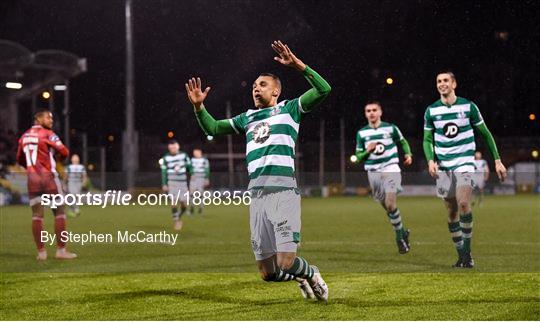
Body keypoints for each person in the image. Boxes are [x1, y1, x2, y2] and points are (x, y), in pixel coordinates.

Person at [185, 41, 330, 301]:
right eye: (253, 85)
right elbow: (214, 129)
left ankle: (311, 273)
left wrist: (298, 65)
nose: (255, 88)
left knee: (286, 261)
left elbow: (323, 89)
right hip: (257, 195)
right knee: (268, 273)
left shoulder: (290, 109)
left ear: (276, 91)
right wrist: (199, 107)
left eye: (262, 84)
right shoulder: (247, 118)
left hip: (283, 190)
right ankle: (300, 275)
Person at [423, 71, 507, 268]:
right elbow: (427, 139)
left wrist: (497, 160)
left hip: (464, 163)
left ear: (454, 84)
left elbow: (485, 134)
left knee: (463, 203)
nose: (441, 84)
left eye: (445, 80)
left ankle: (467, 254)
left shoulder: (468, 106)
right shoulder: (431, 111)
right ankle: (461, 255)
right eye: (438, 81)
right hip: (444, 166)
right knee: (451, 213)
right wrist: (430, 161)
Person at [16, 110, 77, 260]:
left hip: (32, 180)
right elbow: (64, 151)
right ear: (38, 118)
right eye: (48, 117)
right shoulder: (47, 134)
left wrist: (31, 168)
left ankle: (41, 253)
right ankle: (61, 251)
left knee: (37, 215)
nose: (51, 120)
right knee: (60, 212)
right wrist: (59, 157)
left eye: (51, 118)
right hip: (49, 178)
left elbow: (19, 159)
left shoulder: (23, 137)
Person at [354, 101, 413, 254]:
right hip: (373, 172)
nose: (371, 113)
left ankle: (399, 238)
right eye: (368, 111)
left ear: (380, 112)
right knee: (387, 207)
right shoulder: (362, 133)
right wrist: (367, 151)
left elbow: (403, 141)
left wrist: (408, 153)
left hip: (390, 168)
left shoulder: (391, 128)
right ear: (365, 114)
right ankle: (402, 232)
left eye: (374, 110)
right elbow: (358, 157)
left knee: (391, 204)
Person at [160, 139, 192, 230]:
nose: (172, 149)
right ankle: (177, 221)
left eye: (174, 147)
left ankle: (178, 216)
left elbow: (189, 166)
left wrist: (192, 173)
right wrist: (164, 184)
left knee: (184, 205)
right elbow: (164, 171)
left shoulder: (184, 155)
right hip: (172, 183)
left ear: (177, 147)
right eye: (170, 148)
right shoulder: (166, 158)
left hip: (182, 183)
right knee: (173, 202)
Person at [189, 148, 210, 215]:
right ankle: (191, 209)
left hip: (201, 177)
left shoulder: (204, 160)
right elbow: (190, 167)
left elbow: (207, 169)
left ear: (199, 152)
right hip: (194, 177)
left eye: (196, 152)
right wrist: (192, 174)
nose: (194, 154)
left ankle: (201, 209)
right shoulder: (192, 160)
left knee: (201, 194)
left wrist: (206, 178)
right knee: (191, 193)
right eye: (194, 152)